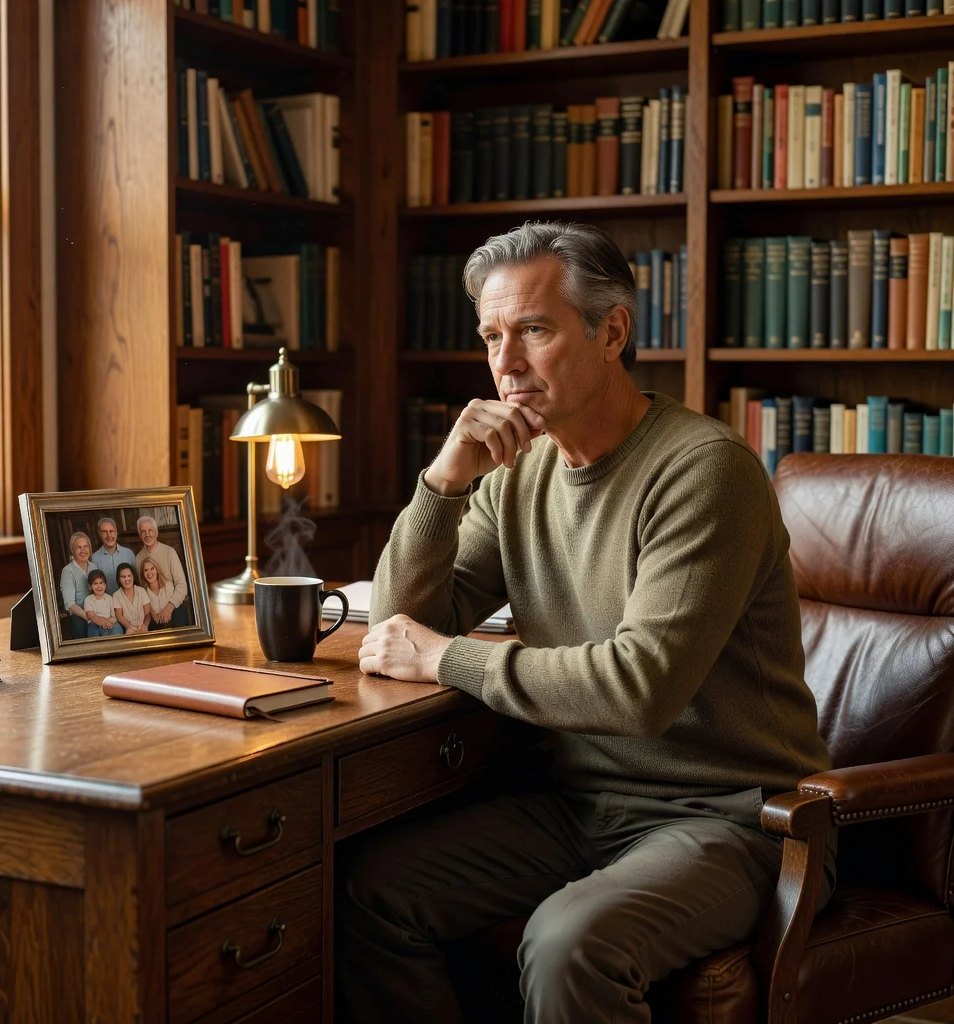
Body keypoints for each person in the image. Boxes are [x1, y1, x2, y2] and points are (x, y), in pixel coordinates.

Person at [339, 222, 834, 1024]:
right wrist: (442, 482)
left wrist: (449, 660)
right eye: (492, 336)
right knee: (370, 893)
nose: (506, 363)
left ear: (612, 332)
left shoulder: (705, 470)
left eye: (533, 329)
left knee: (570, 943)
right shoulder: (516, 471)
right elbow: (401, 624)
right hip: (577, 807)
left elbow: (641, 689)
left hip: (733, 819)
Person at [134, 516, 190, 627]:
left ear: (156, 532)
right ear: (140, 535)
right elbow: (141, 590)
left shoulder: (169, 552)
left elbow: (182, 585)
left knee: (180, 620)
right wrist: (150, 611)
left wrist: (169, 607)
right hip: (152, 607)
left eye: (150, 530)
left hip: (172, 603)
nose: (147, 534)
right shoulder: (138, 558)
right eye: (143, 532)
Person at [58, 532, 97, 640]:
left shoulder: (94, 567)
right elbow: (70, 604)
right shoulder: (67, 571)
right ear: (73, 551)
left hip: (96, 610)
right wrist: (89, 617)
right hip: (80, 615)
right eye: (79, 547)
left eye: (86, 546)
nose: (83, 550)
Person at [92, 517, 138, 594]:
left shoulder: (128, 553)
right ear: (99, 534)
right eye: (104, 532)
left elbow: (136, 579)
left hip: (129, 602)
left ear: (116, 532)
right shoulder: (94, 558)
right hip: (107, 603)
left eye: (111, 531)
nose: (109, 535)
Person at [83, 568, 124, 638]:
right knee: (93, 633)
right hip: (95, 623)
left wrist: (108, 622)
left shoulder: (110, 598)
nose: (99, 586)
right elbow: (91, 615)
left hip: (109, 623)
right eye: (95, 583)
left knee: (118, 629)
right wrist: (102, 622)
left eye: (101, 583)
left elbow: (114, 616)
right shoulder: (88, 599)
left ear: (105, 584)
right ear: (90, 586)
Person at [112, 562, 151, 635]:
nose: (127, 579)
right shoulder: (116, 595)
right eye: (123, 577)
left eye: (129, 576)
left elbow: (148, 614)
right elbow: (119, 616)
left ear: (133, 576)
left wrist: (145, 625)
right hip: (128, 629)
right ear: (118, 579)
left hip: (144, 628)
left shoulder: (141, 591)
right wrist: (129, 627)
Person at [140, 556, 175, 631]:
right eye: (146, 570)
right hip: (157, 627)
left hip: (173, 623)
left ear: (157, 570)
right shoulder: (143, 593)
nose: (149, 572)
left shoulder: (168, 586)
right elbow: (153, 617)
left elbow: (173, 608)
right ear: (143, 574)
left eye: (152, 569)